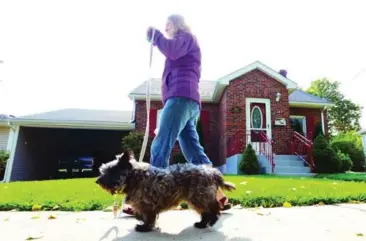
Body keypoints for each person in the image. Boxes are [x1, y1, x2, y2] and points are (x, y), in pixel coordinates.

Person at [122, 14, 231, 216]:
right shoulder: (186, 41)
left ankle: (148, 200)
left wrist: (156, 36)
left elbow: (171, 51)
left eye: (167, 27)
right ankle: (217, 194)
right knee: (194, 152)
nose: (167, 31)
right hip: (187, 100)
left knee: (160, 146)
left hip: (180, 98)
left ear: (174, 24)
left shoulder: (185, 37)